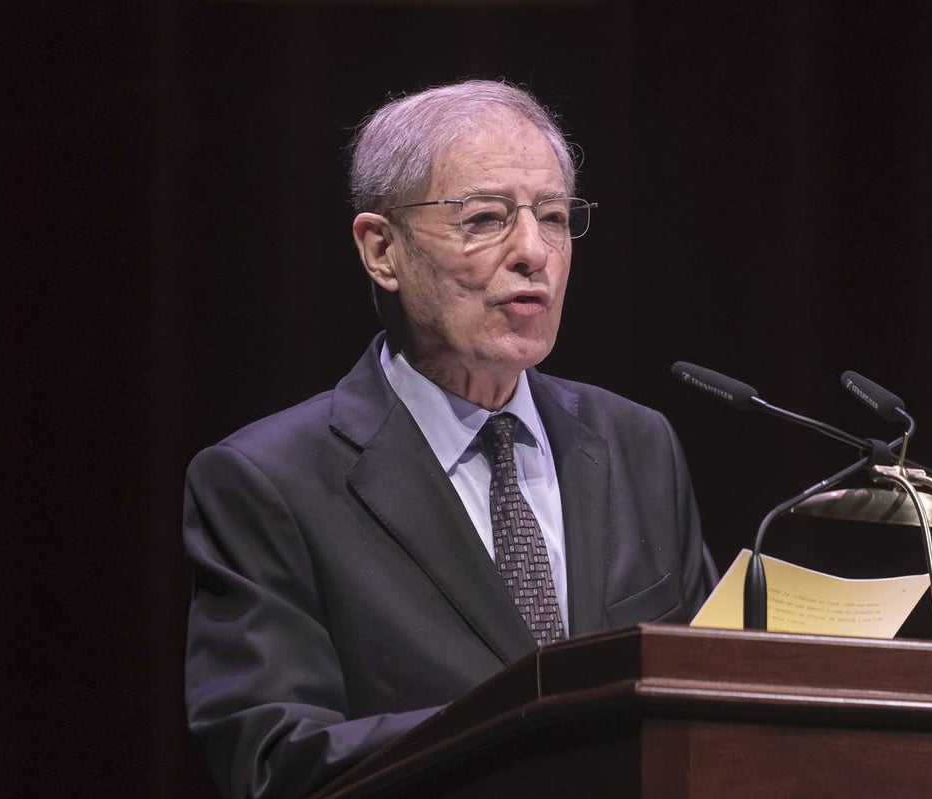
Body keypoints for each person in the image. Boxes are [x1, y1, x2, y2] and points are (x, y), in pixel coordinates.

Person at [183, 79, 717, 798]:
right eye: (488, 218)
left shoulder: (636, 444)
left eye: (554, 217)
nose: (534, 251)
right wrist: (524, 729)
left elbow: (705, 693)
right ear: (382, 250)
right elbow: (274, 758)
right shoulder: (266, 481)